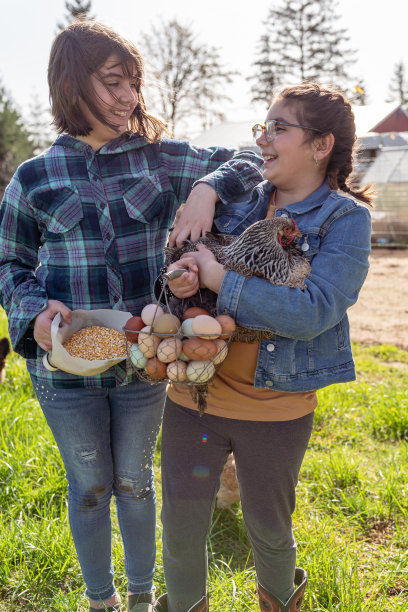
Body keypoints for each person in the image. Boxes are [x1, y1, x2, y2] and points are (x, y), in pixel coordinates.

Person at [0, 21, 263, 612]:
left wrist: (205, 189)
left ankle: (143, 599)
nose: (129, 98)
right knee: (90, 486)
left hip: (145, 360)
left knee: (136, 483)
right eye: (113, 83)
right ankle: (101, 601)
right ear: (72, 84)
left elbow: (251, 160)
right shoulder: (35, 177)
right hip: (65, 365)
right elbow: (9, 261)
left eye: (133, 84)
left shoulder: (164, 159)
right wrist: (33, 314)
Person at [157, 82, 373, 612]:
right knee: (181, 528)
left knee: (269, 530)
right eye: (264, 126)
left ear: (322, 145)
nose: (265, 137)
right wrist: (190, 280)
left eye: (280, 127)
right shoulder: (243, 193)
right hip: (195, 398)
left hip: (275, 408)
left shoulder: (346, 220)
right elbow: (226, 171)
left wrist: (219, 278)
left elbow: (313, 312)